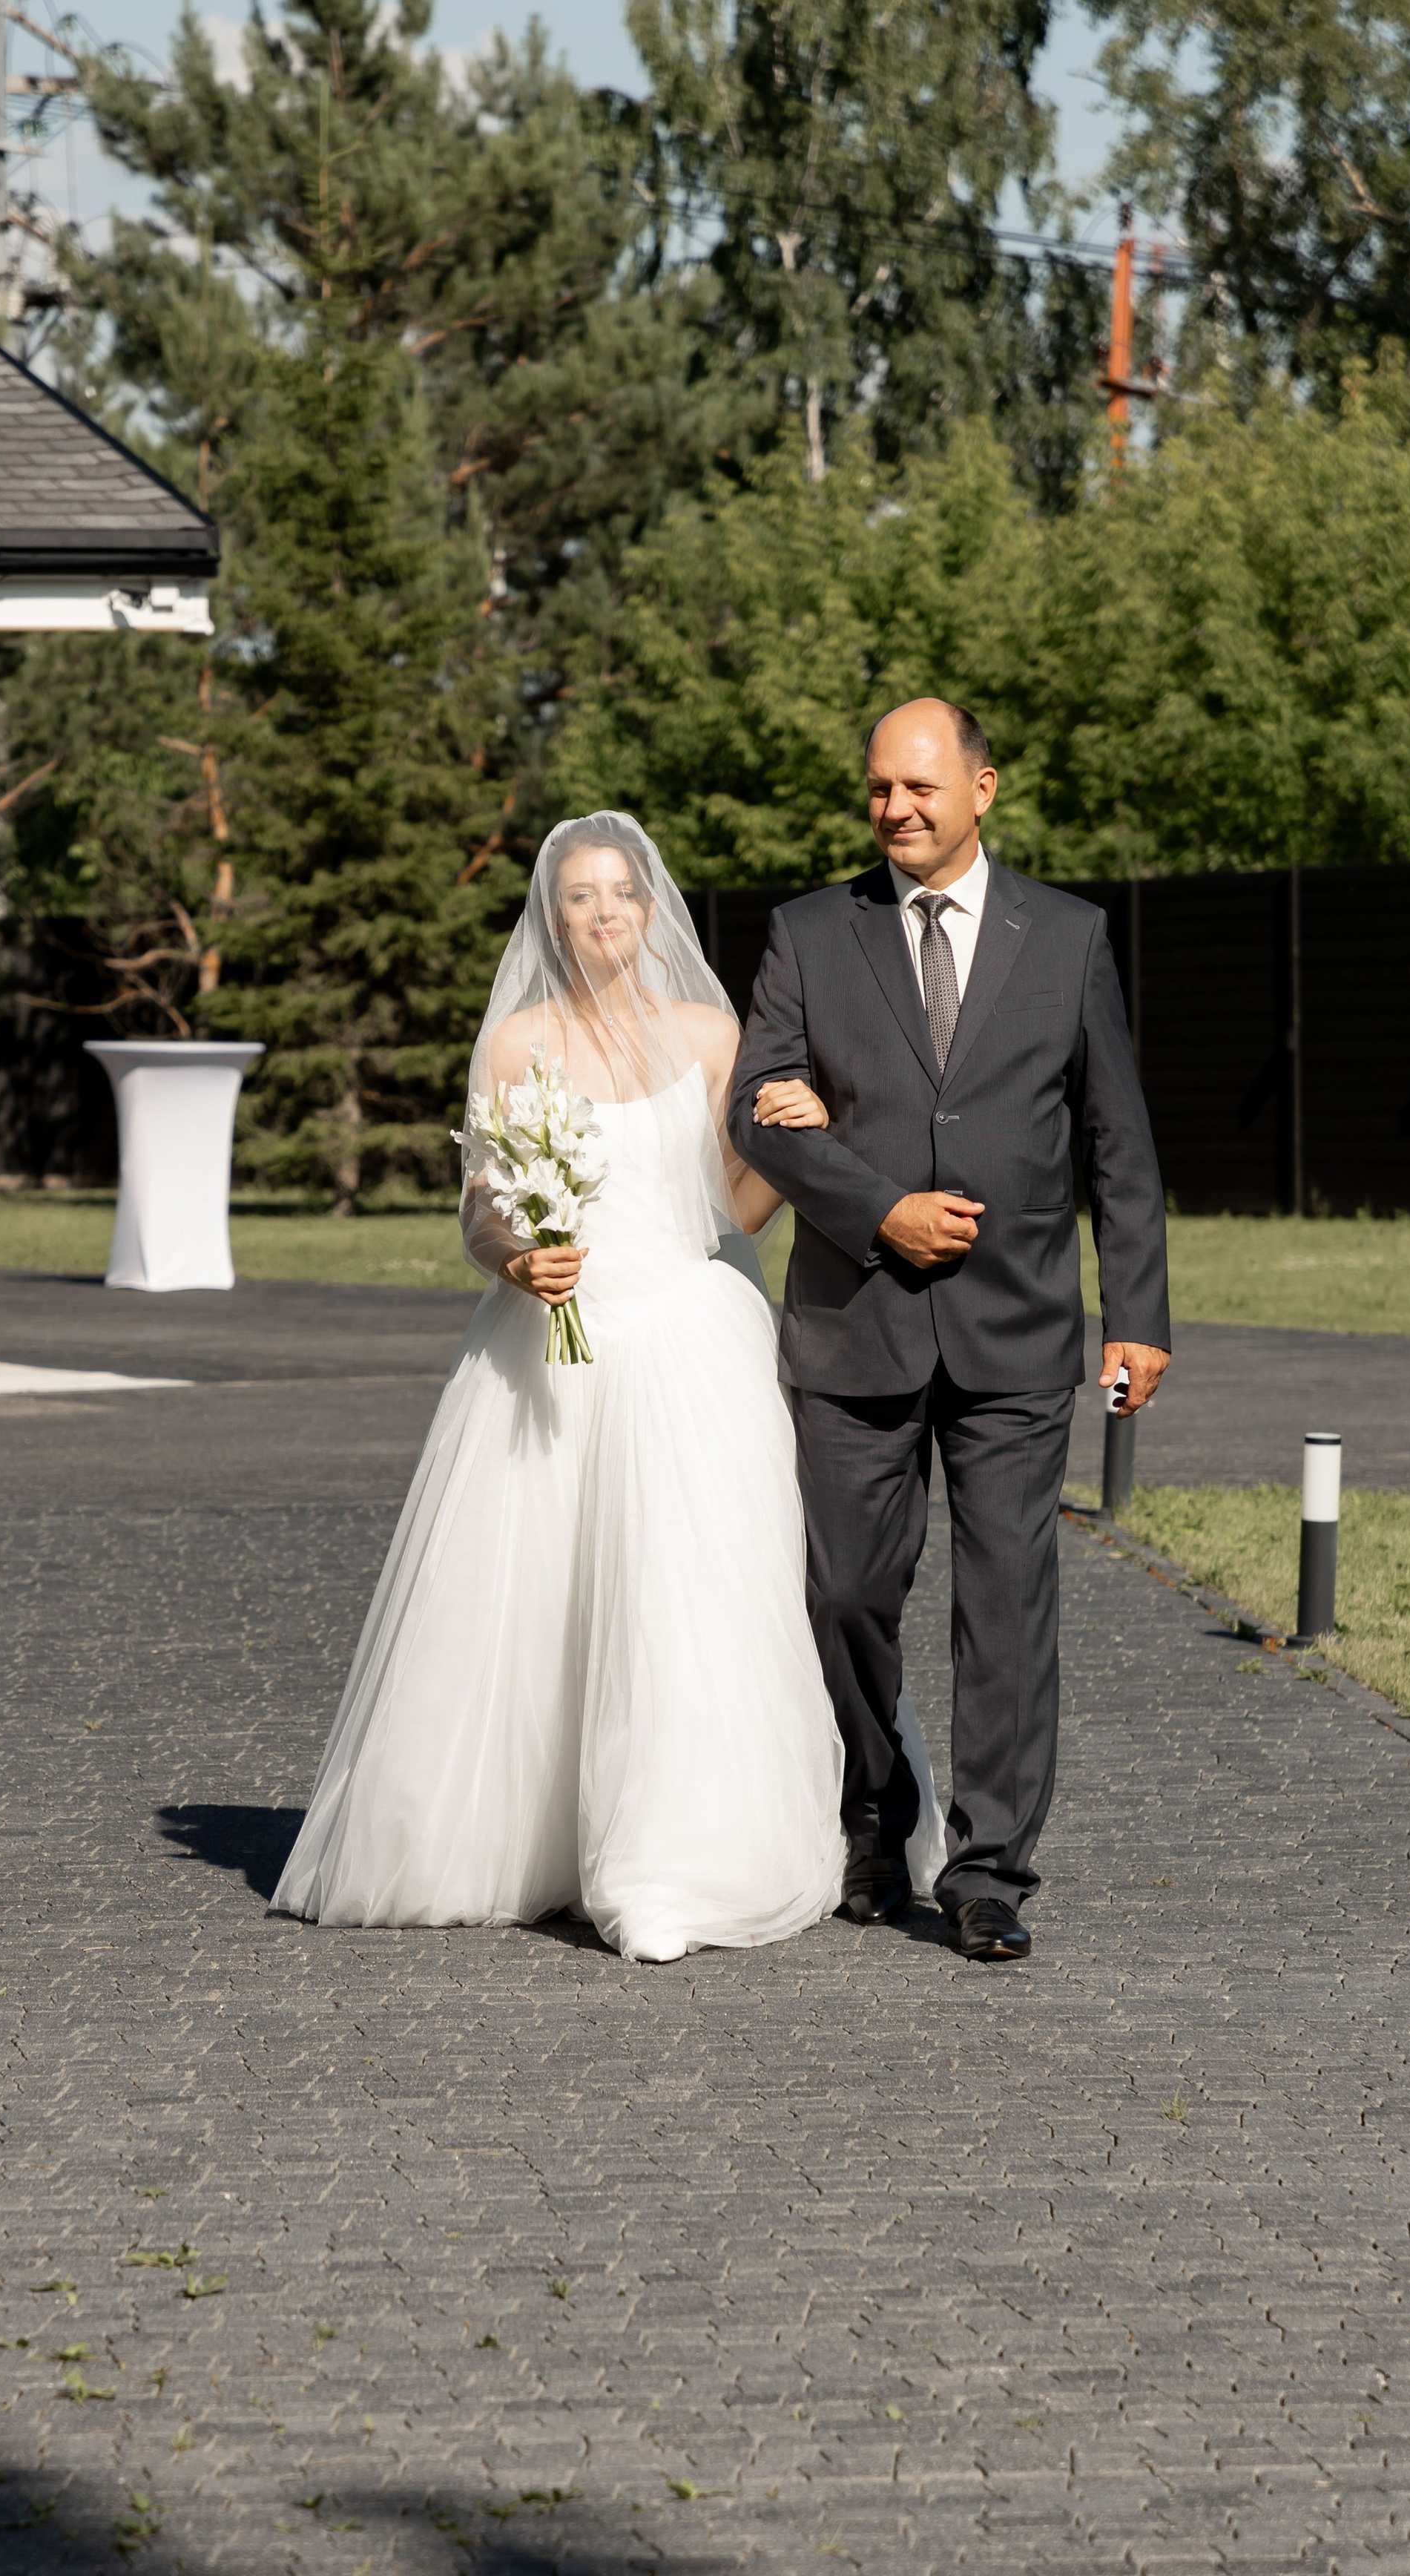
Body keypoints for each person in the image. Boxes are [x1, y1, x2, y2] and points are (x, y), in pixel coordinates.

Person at [272, 811, 946, 1963]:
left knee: (693, 1598)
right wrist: (517, 1260)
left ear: (650, 909)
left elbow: (740, 1201)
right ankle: (527, 1838)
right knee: (538, 1596)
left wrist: (804, 1130)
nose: (600, 915)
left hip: (690, 1336)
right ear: (551, 914)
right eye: (578, 897)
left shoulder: (708, 1032)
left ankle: (675, 1858)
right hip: (550, 1351)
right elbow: (482, 1209)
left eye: (619, 894)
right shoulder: (514, 1042)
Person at [730, 699, 1170, 1962]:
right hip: (853, 1325)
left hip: (1020, 1332)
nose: (897, 809)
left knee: (1009, 1603)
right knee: (849, 1592)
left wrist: (1138, 1311)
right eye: (878, 790)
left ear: (984, 788)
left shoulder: (1071, 938)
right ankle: (877, 1810)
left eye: (921, 787)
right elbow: (760, 1115)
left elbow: (1116, 1143)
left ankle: (990, 1873)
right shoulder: (812, 934)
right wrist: (883, 1214)